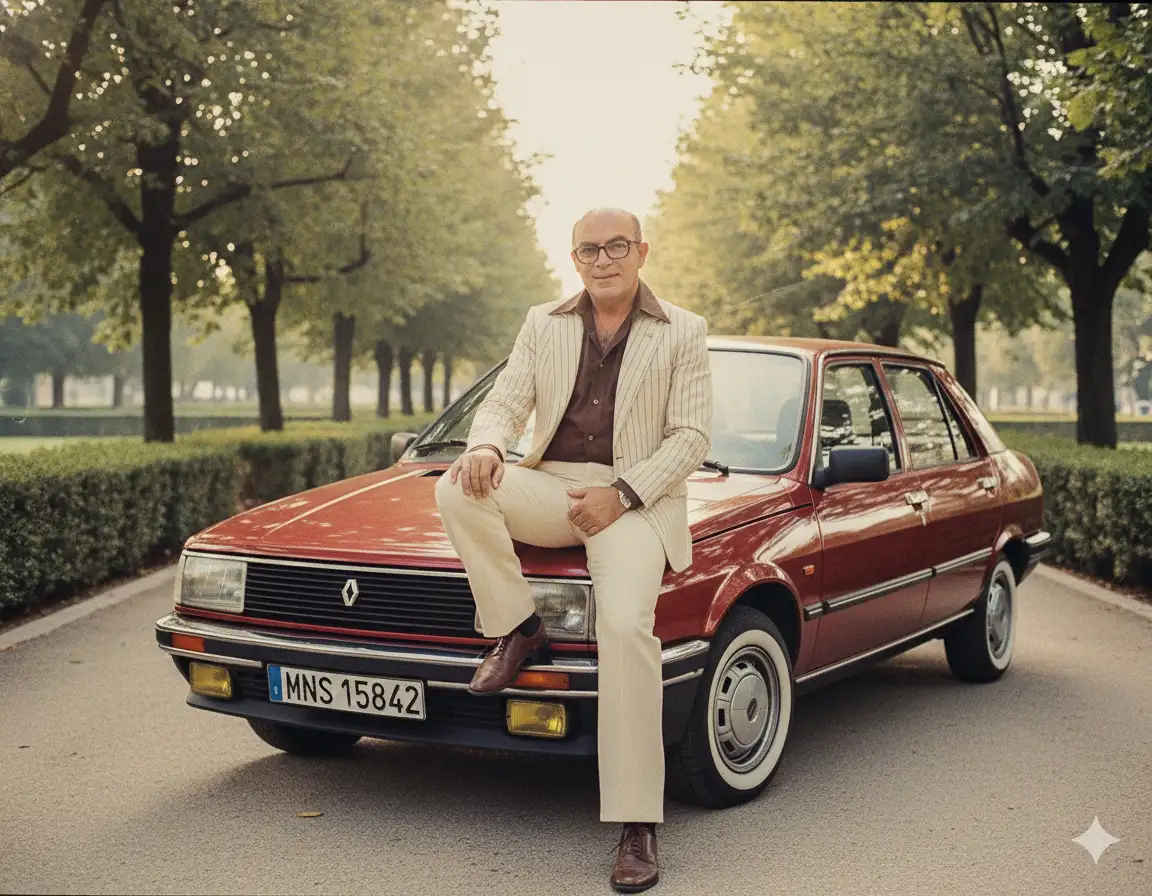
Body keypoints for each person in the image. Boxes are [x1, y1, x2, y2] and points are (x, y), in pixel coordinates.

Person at [435, 207, 712, 893]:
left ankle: (637, 823)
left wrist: (621, 493)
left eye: (617, 246)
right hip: (553, 486)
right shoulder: (543, 323)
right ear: (575, 258)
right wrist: (487, 446)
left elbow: (690, 438)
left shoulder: (685, 330)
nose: (603, 258)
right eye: (589, 248)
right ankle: (518, 628)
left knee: (624, 629)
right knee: (457, 488)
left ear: (642, 251)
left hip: (634, 503)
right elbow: (505, 402)